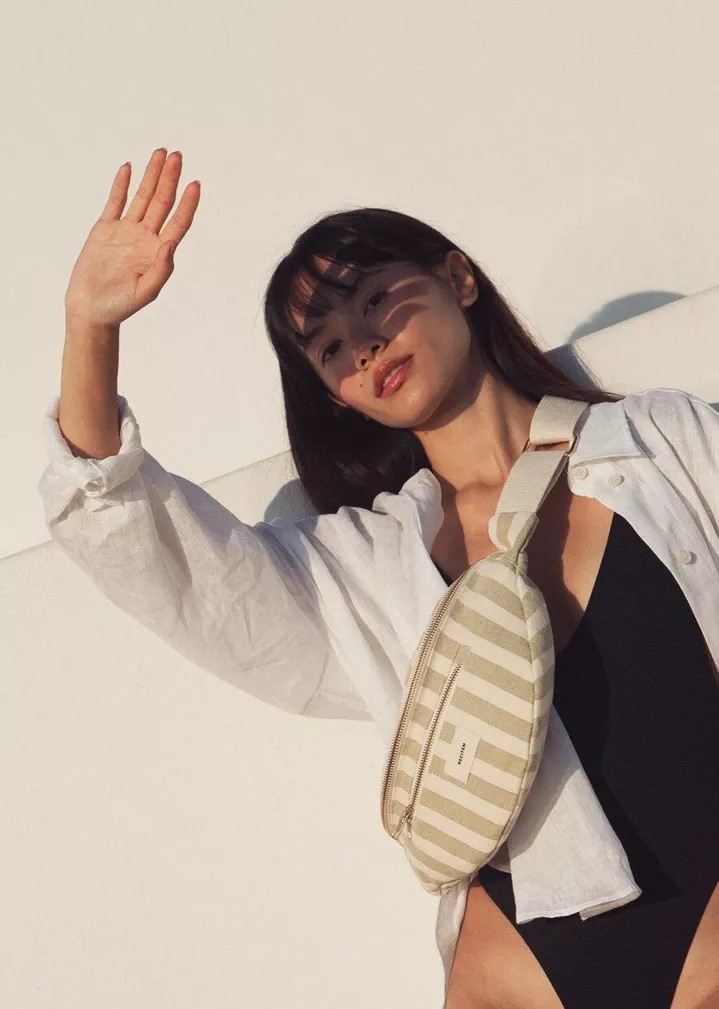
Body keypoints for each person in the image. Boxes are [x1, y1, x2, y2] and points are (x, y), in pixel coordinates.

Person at [39, 147, 718, 1008]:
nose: (361, 344)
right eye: (328, 345)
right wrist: (89, 329)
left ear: (457, 278)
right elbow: (150, 546)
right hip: (521, 972)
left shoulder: (663, 442)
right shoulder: (368, 565)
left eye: (371, 299)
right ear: (334, 394)